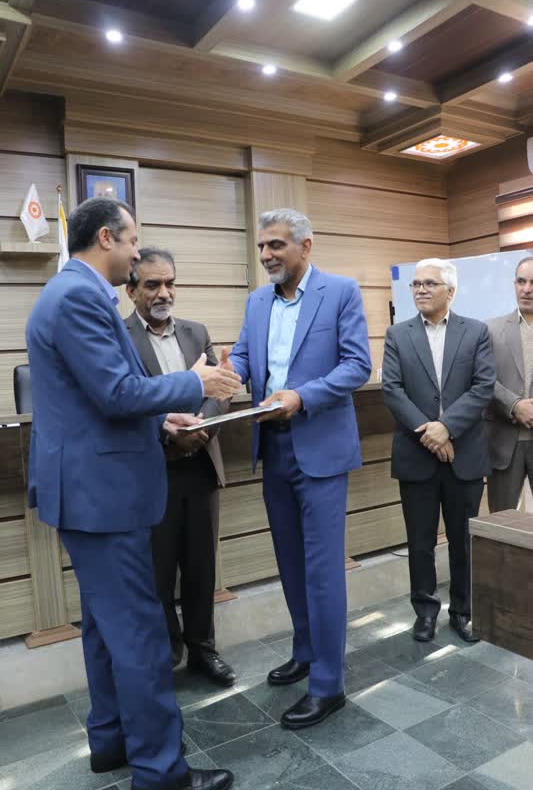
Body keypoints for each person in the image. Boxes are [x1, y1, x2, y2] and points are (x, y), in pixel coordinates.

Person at [26, 197, 239, 790]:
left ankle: (111, 740)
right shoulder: (79, 297)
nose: (136, 252)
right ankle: (161, 770)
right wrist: (193, 381)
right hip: (105, 496)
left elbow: (96, 400)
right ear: (105, 239)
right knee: (141, 634)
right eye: (131, 241)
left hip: (91, 491)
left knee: (104, 629)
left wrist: (162, 419)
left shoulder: (73, 293)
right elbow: (117, 393)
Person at [225, 207, 371, 729]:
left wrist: (302, 396)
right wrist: (222, 372)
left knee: (323, 570)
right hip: (274, 447)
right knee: (289, 562)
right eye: (262, 246)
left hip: (321, 449)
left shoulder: (341, 291)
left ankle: (328, 685)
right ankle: (306, 651)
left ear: (305, 246)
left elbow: (357, 365)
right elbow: (245, 358)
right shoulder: (256, 301)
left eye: (276, 245)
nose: (266, 255)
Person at [125, 247, 236, 686]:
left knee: (201, 566)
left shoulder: (196, 332)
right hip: (154, 470)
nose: (164, 293)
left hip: (201, 464)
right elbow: (126, 401)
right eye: (152, 285)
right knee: (157, 571)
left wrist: (201, 426)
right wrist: (169, 432)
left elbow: (220, 390)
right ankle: (167, 653)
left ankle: (203, 651)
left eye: (170, 283)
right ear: (131, 290)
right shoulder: (119, 338)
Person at [382, 258, 495, 644]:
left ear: (451, 291)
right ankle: (425, 611)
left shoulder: (476, 332)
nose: (420, 290)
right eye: (416, 284)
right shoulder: (398, 334)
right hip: (416, 455)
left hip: (465, 454)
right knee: (420, 542)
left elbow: (483, 387)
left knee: (464, 541)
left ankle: (463, 611)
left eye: (429, 283)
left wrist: (447, 427)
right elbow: (392, 390)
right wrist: (430, 433)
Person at [485, 256, 533, 511]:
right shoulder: (490, 329)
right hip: (503, 443)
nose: (527, 289)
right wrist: (514, 405)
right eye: (521, 281)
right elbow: (482, 379)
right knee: (501, 522)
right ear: (514, 284)